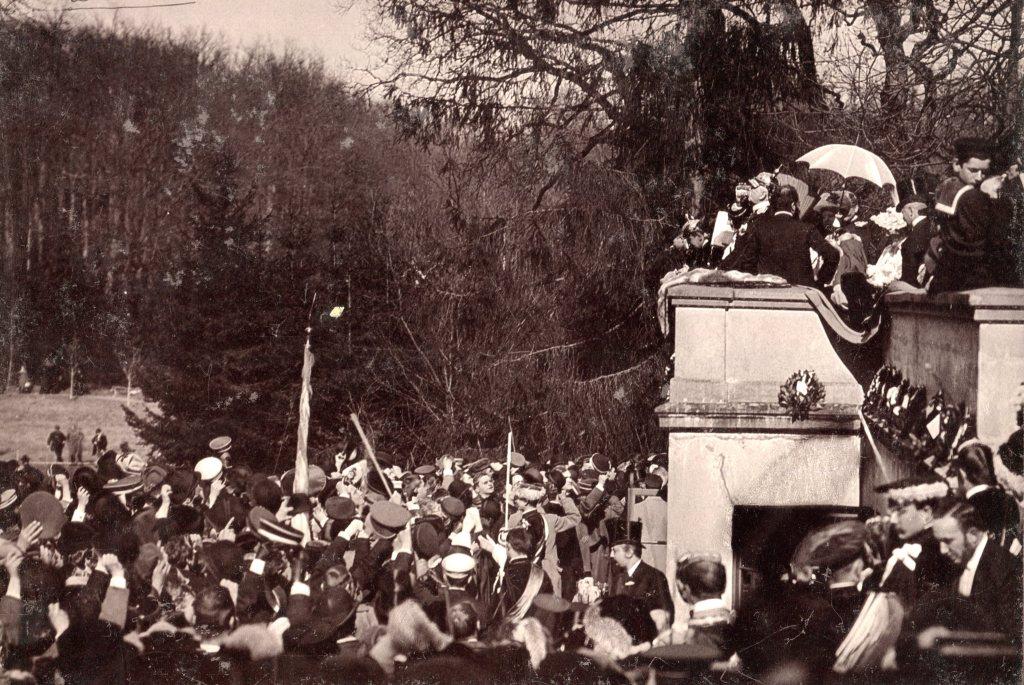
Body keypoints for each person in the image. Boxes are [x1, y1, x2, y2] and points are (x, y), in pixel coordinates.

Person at [925, 137, 1018, 292]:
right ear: (956, 164)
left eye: (984, 172)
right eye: (973, 170)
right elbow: (991, 241)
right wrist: (997, 201)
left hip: (950, 276)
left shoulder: (949, 188)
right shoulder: (972, 197)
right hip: (976, 279)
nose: (979, 177)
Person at [732, 185, 839, 288]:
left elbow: (747, 262)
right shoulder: (806, 228)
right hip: (800, 292)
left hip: (767, 290)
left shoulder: (759, 227)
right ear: (793, 205)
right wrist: (820, 281)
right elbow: (833, 254)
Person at [606, 519, 673, 632]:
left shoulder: (654, 577)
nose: (611, 555)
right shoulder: (618, 578)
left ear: (629, 552)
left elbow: (665, 617)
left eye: (615, 550)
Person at [898, 194, 934, 288]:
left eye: (902, 212)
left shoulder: (909, 243)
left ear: (911, 211)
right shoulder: (939, 226)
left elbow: (908, 282)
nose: (903, 217)